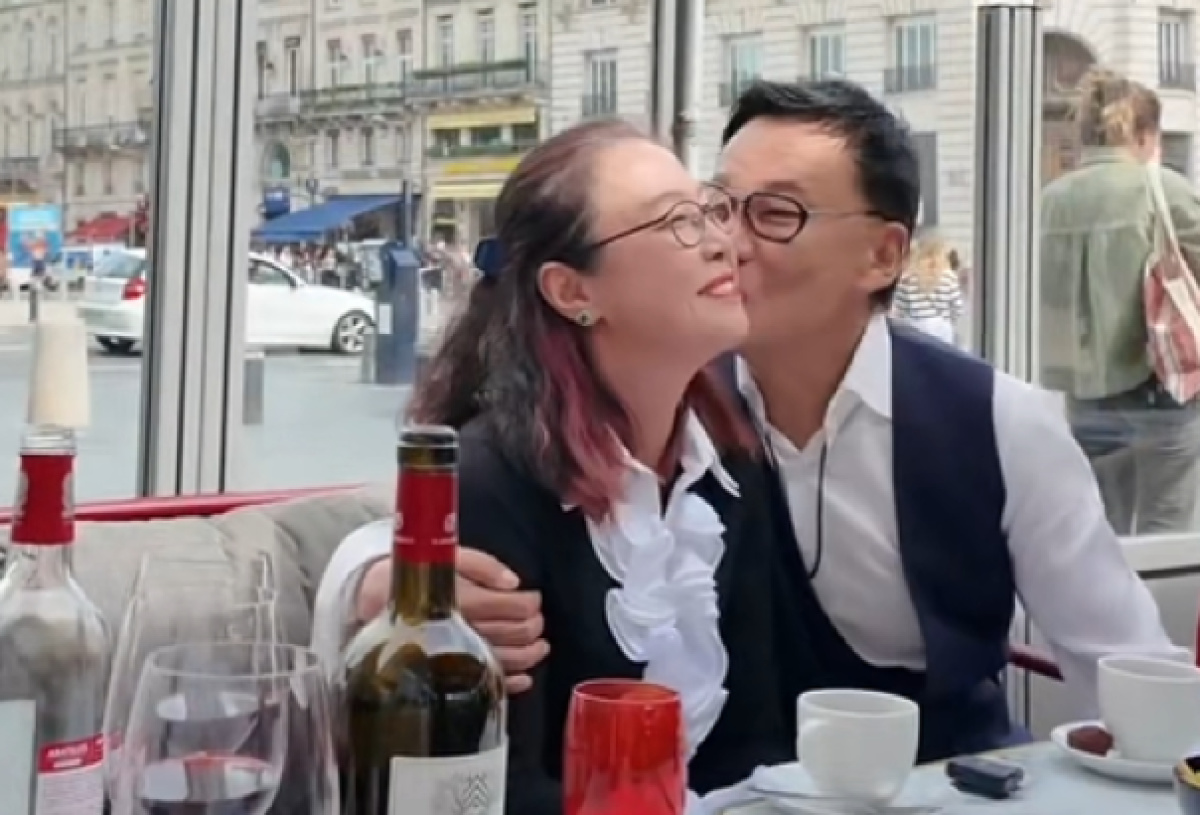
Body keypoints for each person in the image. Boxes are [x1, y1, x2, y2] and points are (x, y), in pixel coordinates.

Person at [341, 80, 1182, 762]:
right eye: (715, 207)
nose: (728, 241)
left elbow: (1133, 673)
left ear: (884, 255)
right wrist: (378, 581)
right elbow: (463, 497)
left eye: (774, 214)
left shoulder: (995, 422)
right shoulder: (678, 401)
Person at [314, 120, 790, 813]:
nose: (725, 241)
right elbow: (499, 786)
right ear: (573, 291)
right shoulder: (494, 484)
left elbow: (756, 739)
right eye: (677, 222)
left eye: (711, 210)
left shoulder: (730, 467)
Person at [1040, 68, 1200, 535]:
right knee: (1164, 531)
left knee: (1099, 531)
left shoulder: (1049, 200)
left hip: (1083, 398)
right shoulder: (1161, 188)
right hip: (1160, 391)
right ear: (1145, 134)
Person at [892, 234, 963, 344]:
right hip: (943, 329)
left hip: (916, 328)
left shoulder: (907, 279)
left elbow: (900, 310)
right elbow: (957, 308)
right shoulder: (949, 277)